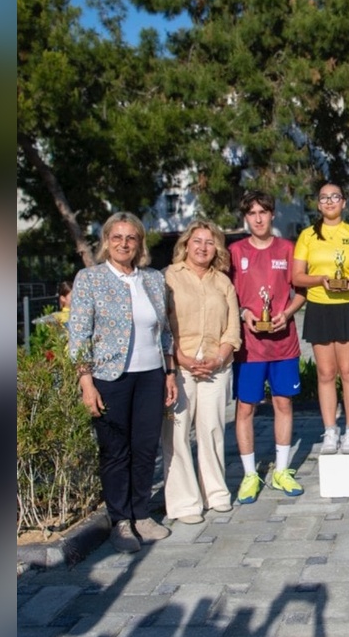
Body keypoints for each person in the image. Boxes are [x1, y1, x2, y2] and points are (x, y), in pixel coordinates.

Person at [68, 211, 176, 553]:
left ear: (139, 243)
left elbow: (165, 333)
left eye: (131, 238)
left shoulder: (154, 280)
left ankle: (141, 513)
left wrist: (169, 372)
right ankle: (121, 521)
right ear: (106, 242)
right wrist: (86, 381)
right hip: (109, 377)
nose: (124, 243)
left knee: (145, 448)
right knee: (116, 451)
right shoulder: (90, 279)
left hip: (150, 376)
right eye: (117, 237)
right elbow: (79, 334)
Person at [162, 219, 242, 524]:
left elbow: (232, 329)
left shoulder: (222, 282)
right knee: (177, 433)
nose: (203, 247)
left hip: (215, 368)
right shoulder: (168, 277)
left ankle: (216, 493)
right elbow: (162, 324)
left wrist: (220, 357)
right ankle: (184, 504)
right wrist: (179, 357)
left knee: (211, 430)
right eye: (197, 241)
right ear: (186, 244)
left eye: (210, 242)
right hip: (178, 368)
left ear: (217, 248)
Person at [230, 191, 307, 501]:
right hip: (248, 348)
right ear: (246, 217)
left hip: (283, 344)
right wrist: (244, 312)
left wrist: (287, 313)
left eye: (263, 212)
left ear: (273, 214)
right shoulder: (235, 252)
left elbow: (301, 292)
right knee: (245, 408)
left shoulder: (288, 249)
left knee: (283, 405)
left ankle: (281, 471)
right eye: (252, 213)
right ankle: (250, 475)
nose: (258, 218)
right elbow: (228, 294)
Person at [292, 183, 349, 456]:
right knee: (325, 373)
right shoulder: (307, 236)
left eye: (334, 197)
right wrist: (320, 280)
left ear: (343, 202)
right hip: (319, 306)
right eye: (324, 197)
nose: (329, 201)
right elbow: (297, 277)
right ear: (318, 204)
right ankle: (330, 431)